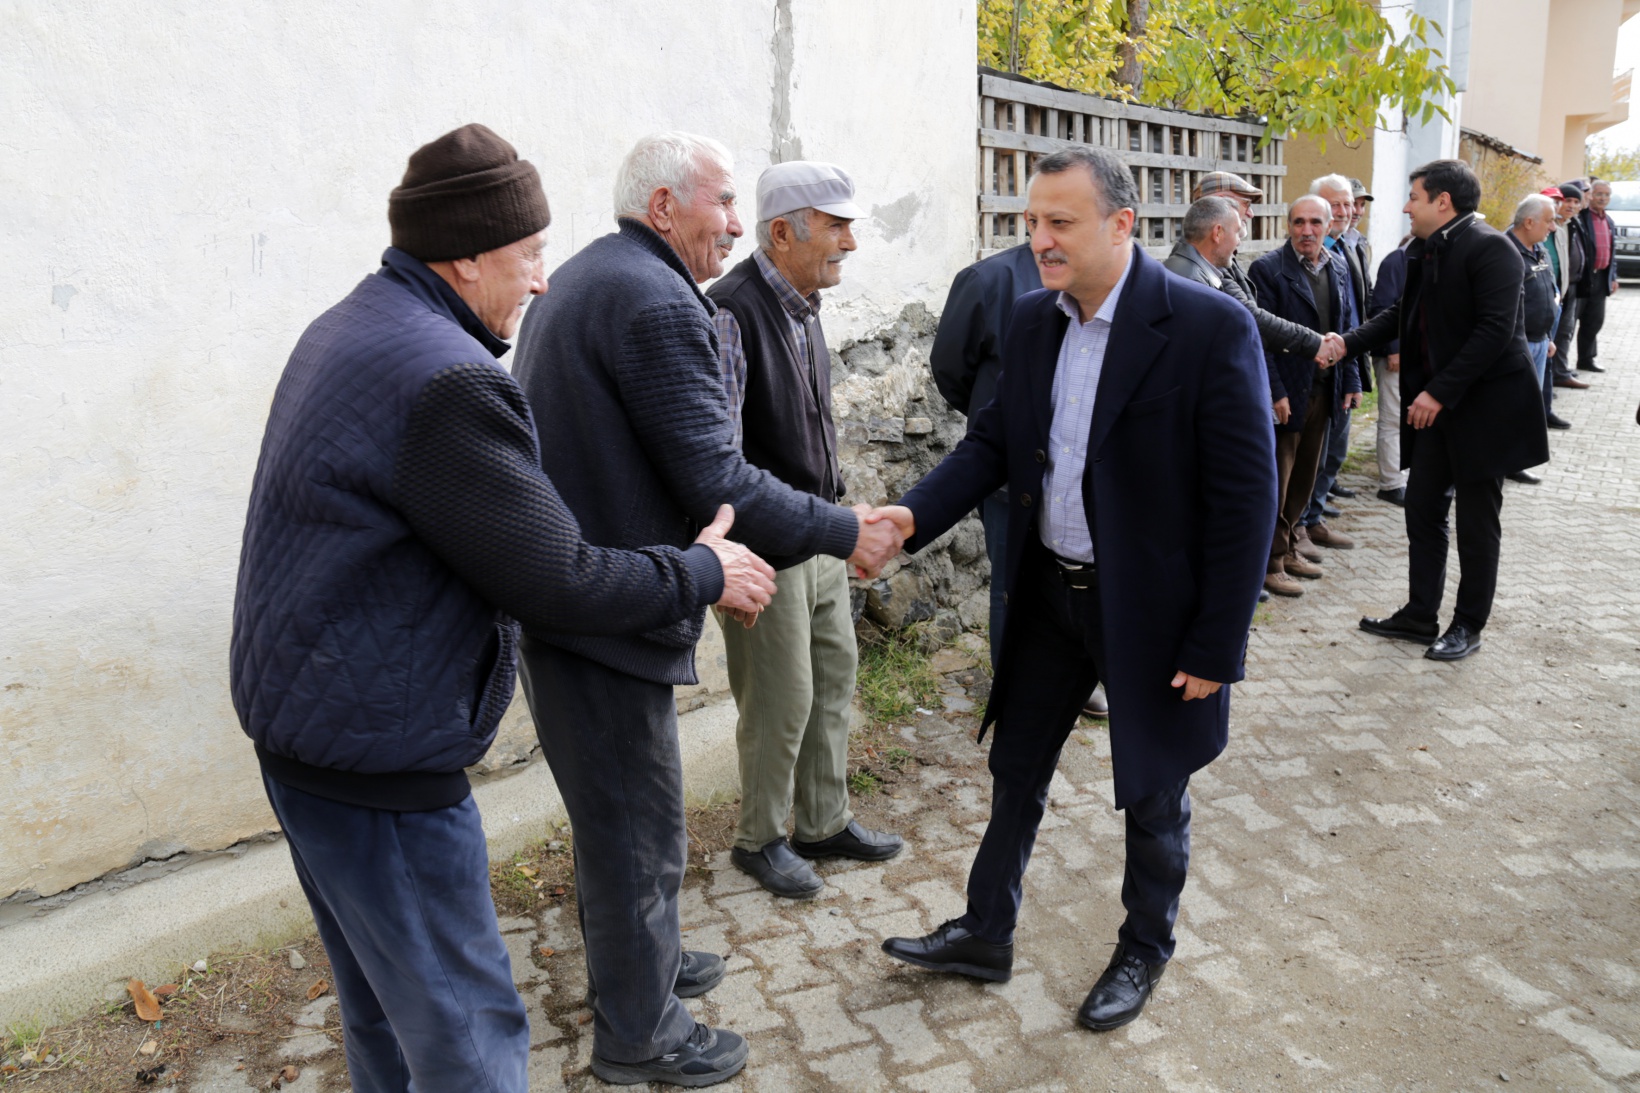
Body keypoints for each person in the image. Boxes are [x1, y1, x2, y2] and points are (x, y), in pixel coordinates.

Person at [229, 124, 777, 1093]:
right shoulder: (447, 379)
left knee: (386, 1019)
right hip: (379, 759)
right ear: (467, 254)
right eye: (527, 256)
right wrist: (699, 569)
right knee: (466, 1033)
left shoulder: (352, 326)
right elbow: (555, 575)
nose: (538, 280)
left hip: (308, 737)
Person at [510, 131, 900, 1087]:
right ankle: (641, 1033)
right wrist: (844, 529)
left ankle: (642, 964)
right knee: (637, 827)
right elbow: (715, 472)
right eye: (722, 203)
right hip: (605, 611)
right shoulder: (655, 299)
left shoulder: (601, 278)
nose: (734, 223)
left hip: (589, 595)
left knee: (622, 822)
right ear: (663, 209)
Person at [874, 145, 1276, 1032]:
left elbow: (1248, 501)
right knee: (1015, 764)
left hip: (1154, 612)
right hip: (1049, 593)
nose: (1041, 240)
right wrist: (906, 518)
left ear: (1122, 224)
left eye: (1061, 222)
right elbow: (991, 444)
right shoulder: (1029, 320)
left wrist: (1218, 642)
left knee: (1154, 784)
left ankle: (1144, 944)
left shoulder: (1209, 328)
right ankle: (986, 928)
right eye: (1033, 222)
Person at [705, 161, 904, 900]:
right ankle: (759, 838)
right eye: (836, 224)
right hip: (766, 550)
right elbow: (719, 462)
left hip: (819, 539)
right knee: (778, 700)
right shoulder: (730, 311)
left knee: (831, 683)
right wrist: (727, 560)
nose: (850, 241)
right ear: (782, 231)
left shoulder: (804, 302)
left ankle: (824, 821)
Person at [1343, 159, 1550, 661]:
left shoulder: (1492, 248)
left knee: (1477, 522)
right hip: (1437, 408)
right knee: (1423, 507)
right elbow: (1401, 313)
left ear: (1442, 201)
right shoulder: (1425, 249)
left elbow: (1495, 332)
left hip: (1484, 409)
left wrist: (1438, 392)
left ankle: (1467, 625)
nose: (1405, 205)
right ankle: (1419, 615)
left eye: (1413, 196)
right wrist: (1343, 344)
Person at [931, 236, 1112, 717]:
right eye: (1042, 216)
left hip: (1078, 480)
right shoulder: (987, 279)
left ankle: (1077, 678)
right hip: (1011, 477)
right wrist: (1004, 420)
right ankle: (1010, 687)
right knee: (1011, 585)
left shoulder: (1095, 281)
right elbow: (951, 368)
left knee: (1076, 582)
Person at [1247, 195, 1361, 598]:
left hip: (1325, 390)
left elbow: (1345, 328)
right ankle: (1270, 563)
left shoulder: (1339, 265)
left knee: (1305, 480)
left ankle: (1292, 544)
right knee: (1278, 481)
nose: (1306, 231)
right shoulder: (1268, 270)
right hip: (1289, 393)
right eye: (1298, 222)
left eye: (1315, 222)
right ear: (1288, 226)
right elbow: (1261, 338)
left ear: (1331, 225)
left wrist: (1351, 380)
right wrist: (1274, 391)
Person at [1298, 173, 1366, 548]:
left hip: (1342, 368)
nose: (1346, 211)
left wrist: (1354, 376)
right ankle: (1300, 526)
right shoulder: (1296, 261)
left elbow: (1349, 320)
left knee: (1333, 451)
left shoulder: (1344, 252)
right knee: (1309, 457)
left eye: (1347, 204)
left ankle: (1314, 516)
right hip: (1310, 376)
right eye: (1335, 204)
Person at [1505, 193, 1561, 486]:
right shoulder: (1504, 250)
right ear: (1529, 222)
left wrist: (1548, 336)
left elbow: (1547, 291)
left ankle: (1515, 463)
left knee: (1528, 407)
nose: (1553, 227)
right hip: (1518, 344)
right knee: (1510, 405)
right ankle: (1498, 461)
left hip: (1540, 341)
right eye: (1549, 221)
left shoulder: (1538, 249)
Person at [1369, 236, 1412, 505]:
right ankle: (1391, 483)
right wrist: (1393, 348)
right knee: (1393, 418)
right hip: (1397, 356)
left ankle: (1403, 474)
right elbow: (1383, 307)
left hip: (1418, 356)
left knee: (1409, 419)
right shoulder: (1396, 261)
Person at [1575, 179, 1620, 373]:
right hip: (1583, 277)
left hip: (1601, 278)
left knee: (1595, 320)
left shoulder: (1609, 220)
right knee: (1571, 321)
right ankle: (1559, 366)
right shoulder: (1582, 217)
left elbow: (1612, 251)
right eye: (1599, 194)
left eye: (1606, 195)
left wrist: (1613, 276)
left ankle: (1587, 359)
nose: (1603, 198)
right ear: (1591, 195)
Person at [1552, 181, 1593, 392]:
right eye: (1568, 200)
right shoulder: (1553, 226)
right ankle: (1549, 377)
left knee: (1566, 331)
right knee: (1553, 334)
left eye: (1576, 201)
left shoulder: (1574, 224)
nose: (1572, 205)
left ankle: (1560, 372)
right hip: (1556, 290)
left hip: (1573, 287)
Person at [1540, 186, 1576, 429]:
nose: (1556, 206)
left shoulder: (1559, 231)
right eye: (1551, 201)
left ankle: (1546, 410)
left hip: (1556, 303)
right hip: (1539, 308)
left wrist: (1560, 296)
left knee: (1549, 359)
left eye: (1558, 201)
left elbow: (1561, 266)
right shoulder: (1530, 231)